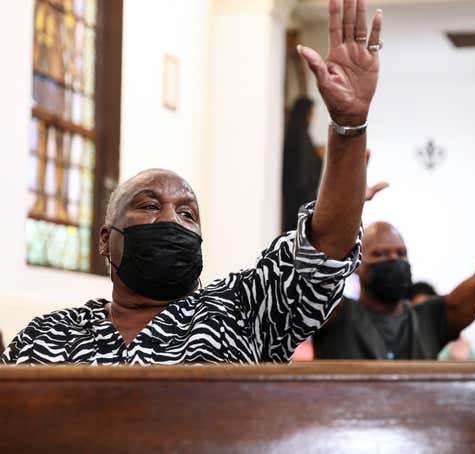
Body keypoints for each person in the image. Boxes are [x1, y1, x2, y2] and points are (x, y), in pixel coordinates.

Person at [2, 0, 383, 365]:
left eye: (187, 213)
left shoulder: (245, 312)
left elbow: (321, 256)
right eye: (149, 206)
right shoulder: (49, 336)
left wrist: (349, 125)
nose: (170, 219)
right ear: (105, 238)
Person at [314, 161, 475, 360]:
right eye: (379, 254)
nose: (393, 260)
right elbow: (317, 265)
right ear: (355, 265)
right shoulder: (334, 313)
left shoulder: (429, 320)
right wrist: (345, 205)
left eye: (401, 254)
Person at [282, 97, 323, 232]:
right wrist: (319, 158)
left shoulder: (300, 132)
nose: (312, 118)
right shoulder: (299, 134)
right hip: (299, 198)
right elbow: (302, 170)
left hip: (298, 196)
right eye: (311, 114)